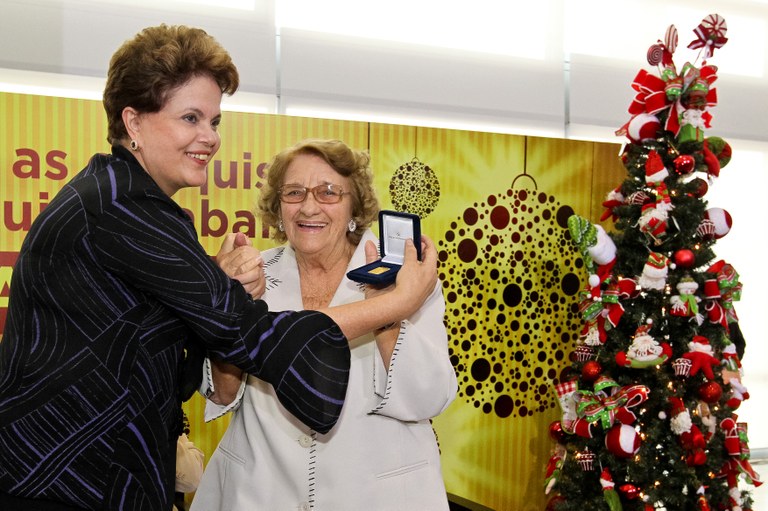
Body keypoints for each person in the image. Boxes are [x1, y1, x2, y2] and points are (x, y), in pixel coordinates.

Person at [0, 26, 438, 511]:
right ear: (134, 122)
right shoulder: (122, 207)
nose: (209, 138)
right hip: (71, 480)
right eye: (191, 117)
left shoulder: (130, 201)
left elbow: (152, 341)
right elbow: (245, 337)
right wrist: (398, 303)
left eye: (214, 120)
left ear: (356, 203)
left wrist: (218, 286)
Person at [191, 139, 458, 511]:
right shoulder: (251, 275)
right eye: (294, 192)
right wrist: (231, 307)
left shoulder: (406, 279)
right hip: (259, 492)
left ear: (354, 205)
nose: (309, 206)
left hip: (379, 497)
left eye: (329, 192)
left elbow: (428, 397)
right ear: (278, 207)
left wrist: (387, 312)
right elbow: (221, 395)